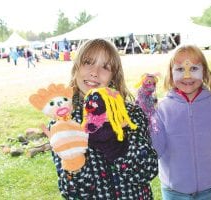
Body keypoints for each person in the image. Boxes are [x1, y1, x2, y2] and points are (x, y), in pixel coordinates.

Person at [50, 39, 158, 199]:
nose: (94, 72)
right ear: (76, 68)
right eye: (88, 62)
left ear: (114, 76)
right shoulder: (63, 122)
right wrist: (74, 163)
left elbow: (148, 170)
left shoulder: (131, 113)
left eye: (105, 67)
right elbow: (72, 193)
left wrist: (117, 147)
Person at [150, 44, 211, 200]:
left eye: (194, 69)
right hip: (174, 191)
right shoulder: (162, 109)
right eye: (180, 69)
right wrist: (148, 116)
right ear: (171, 74)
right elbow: (155, 149)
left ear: (204, 72)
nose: (187, 76)